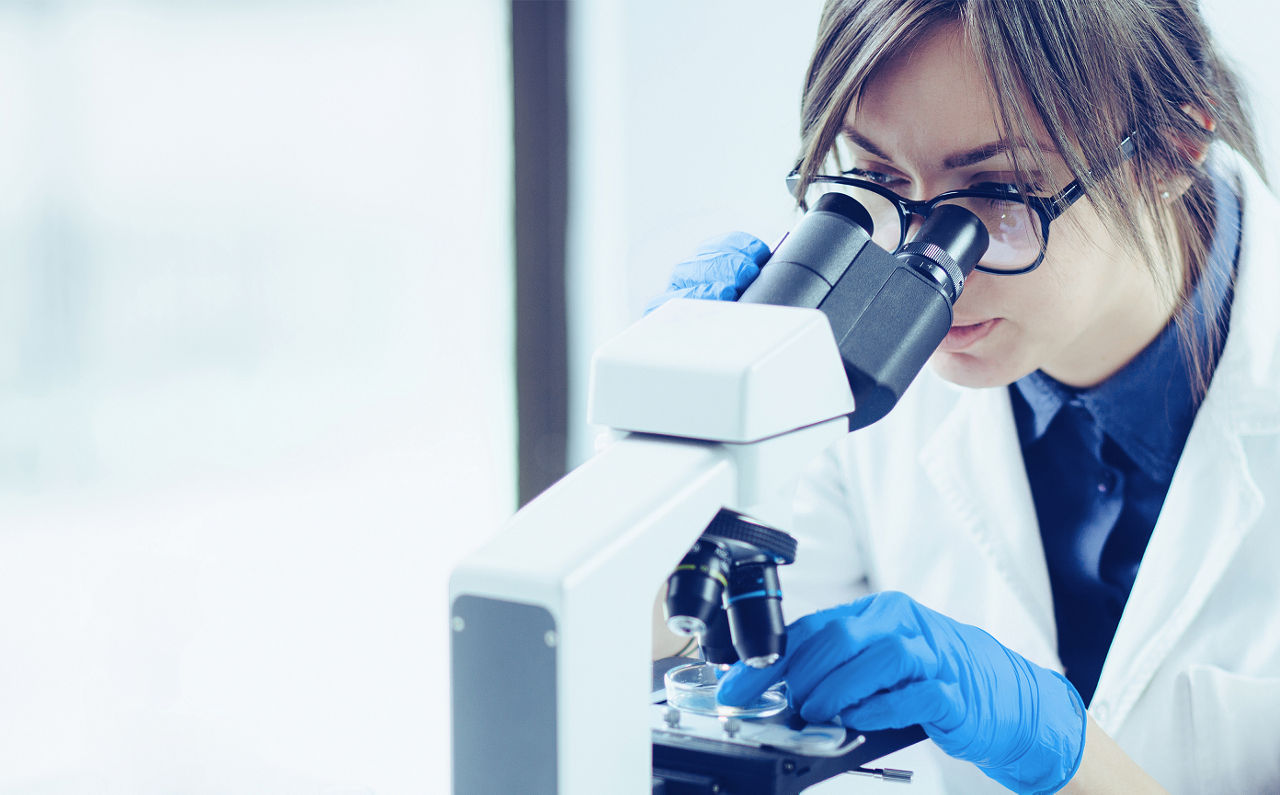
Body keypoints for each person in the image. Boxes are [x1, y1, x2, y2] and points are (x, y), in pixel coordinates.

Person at [650, 0, 1280, 792]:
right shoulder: (855, 370)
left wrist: (1073, 758)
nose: (924, 259)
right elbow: (677, 650)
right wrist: (673, 446)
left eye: (1000, 190)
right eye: (876, 179)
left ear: (1171, 151)